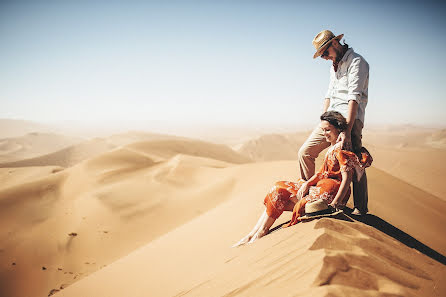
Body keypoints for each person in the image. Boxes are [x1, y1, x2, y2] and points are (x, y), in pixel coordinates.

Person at [233, 111, 372, 247]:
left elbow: (347, 178)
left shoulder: (341, 149)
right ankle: (254, 233)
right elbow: (322, 173)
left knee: (279, 192)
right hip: (321, 189)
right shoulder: (332, 148)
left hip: (329, 194)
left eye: (328, 130)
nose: (324, 134)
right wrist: (307, 184)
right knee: (278, 189)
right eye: (323, 130)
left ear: (339, 129)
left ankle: (259, 233)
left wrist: (335, 205)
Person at [298, 30, 370, 215]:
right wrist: (323, 120)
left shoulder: (357, 62)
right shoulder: (334, 66)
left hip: (349, 118)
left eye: (324, 52)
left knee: (353, 162)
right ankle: (314, 195)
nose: (324, 57)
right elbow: (329, 94)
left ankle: (360, 209)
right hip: (331, 118)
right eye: (321, 55)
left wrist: (347, 129)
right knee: (305, 152)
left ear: (335, 44)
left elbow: (353, 98)